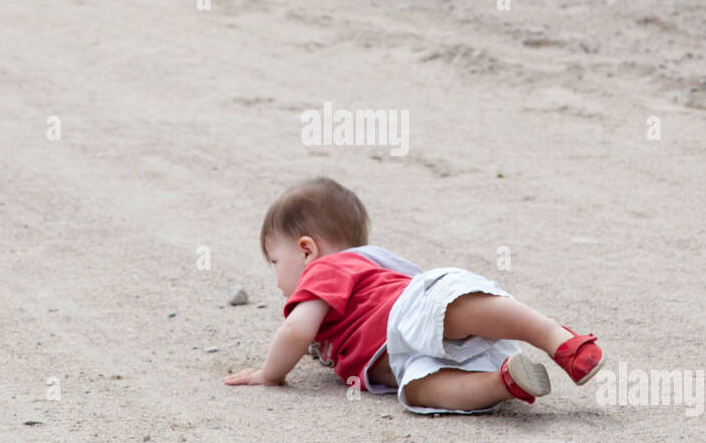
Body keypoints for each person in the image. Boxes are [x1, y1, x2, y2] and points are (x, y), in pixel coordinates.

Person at [224, 177, 603, 414]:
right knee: (419, 389)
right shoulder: (346, 280)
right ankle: (504, 382)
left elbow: (296, 331)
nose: (277, 278)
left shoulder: (327, 268)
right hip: (401, 355)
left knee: (453, 313)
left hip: (407, 313)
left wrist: (268, 374)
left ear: (307, 250)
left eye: (275, 261)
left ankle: (556, 337)